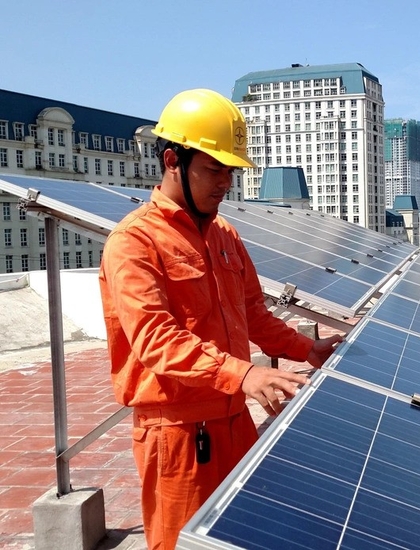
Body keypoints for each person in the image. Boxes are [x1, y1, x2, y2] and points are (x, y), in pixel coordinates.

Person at [98, 88, 343, 550]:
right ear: (173, 160)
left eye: (230, 170)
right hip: (177, 434)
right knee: (182, 543)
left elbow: (250, 311)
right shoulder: (134, 242)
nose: (225, 181)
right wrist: (244, 373)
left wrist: (303, 349)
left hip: (235, 418)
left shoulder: (225, 234)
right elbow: (155, 340)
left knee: (238, 537)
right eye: (214, 168)